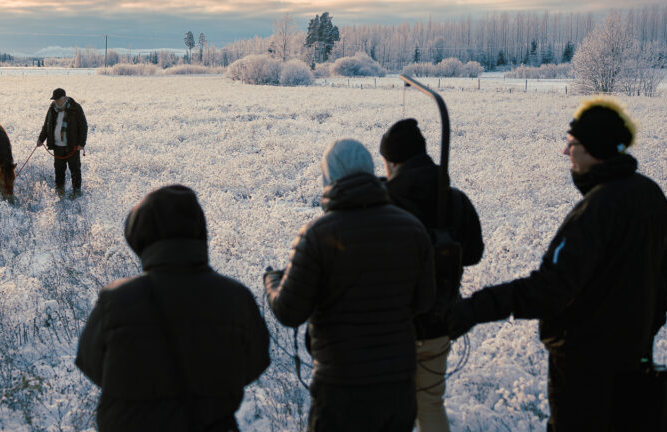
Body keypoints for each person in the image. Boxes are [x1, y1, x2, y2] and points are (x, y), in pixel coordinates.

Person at [447, 97, 667, 432]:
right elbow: (662, 284)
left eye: (571, 144)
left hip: (585, 371)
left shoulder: (598, 209)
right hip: (632, 363)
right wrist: (640, 340)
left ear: (593, 148)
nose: (565, 152)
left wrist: (473, 309)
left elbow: (549, 289)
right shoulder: (650, 195)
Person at [263, 139, 435, 432]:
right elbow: (424, 302)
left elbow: (289, 312)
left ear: (329, 177)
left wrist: (272, 280)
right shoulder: (412, 228)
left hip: (340, 388)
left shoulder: (316, 235)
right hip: (397, 388)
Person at [76, 185, 271, 432]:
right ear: (200, 232)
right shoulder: (236, 297)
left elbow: (90, 364)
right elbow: (256, 362)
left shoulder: (115, 301)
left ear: (140, 236)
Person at [379, 118, 484, 432]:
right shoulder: (455, 199)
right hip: (440, 321)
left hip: (391, 327)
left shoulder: (384, 201)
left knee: (388, 410)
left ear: (392, 162)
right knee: (430, 404)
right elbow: (475, 254)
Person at [37, 87, 88, 195]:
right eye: (54, 99)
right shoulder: (52, 108)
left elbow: (83, 126)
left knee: (75, 169)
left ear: (64, 98)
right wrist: (41, 139)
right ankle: (60, 190)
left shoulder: (76, 108)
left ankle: (76, 191)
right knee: (59, 170)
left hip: (72, 146)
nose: (56, 101)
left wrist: (81, 144)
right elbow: (47, 125)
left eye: (58, 99)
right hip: (57, 146)